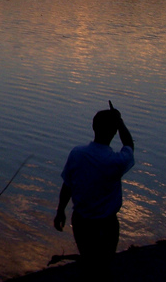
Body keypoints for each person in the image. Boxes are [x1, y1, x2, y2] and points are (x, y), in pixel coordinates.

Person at [54, 106, 135, 280]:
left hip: (82, 222)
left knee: (88, 262)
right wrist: (120, 122)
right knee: (104, 265)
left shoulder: (77, 154)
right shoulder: (116, 161)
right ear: (114, 132)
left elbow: (67, 185)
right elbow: (129, 145)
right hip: (107, 223)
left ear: (93, 127)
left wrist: (60, 210)